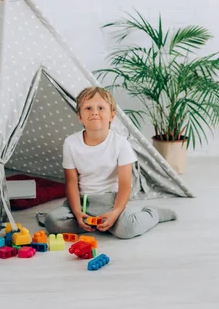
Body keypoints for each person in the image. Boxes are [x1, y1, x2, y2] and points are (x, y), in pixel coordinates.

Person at [42, 87, 177, 238]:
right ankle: (91, 223)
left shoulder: (121, 144)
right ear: (80, 116)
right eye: (88, 108)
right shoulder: (71, 143)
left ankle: (153, 213)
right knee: (52, 222)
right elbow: (71, 182)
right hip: (82, 201)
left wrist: (115, 212)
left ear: (112, 115)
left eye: (100, 108)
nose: (94, 112)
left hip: (110, 200)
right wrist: (77, 212)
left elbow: (125, 184)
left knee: (128, 229)